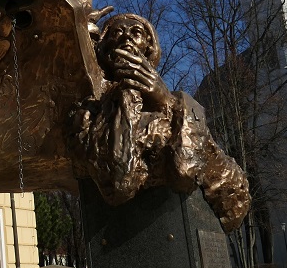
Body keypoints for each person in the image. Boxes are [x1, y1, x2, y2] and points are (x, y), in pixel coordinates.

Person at [70, 13, 250, 230]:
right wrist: (127, 96)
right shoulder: (89, 114)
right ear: (105, 50)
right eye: (117, 32)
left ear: (148, 47)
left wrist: (166, 102)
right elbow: (119, 185)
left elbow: (187, 173)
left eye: (135, 33)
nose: (126, 37)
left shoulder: (184, 104)